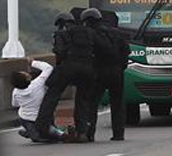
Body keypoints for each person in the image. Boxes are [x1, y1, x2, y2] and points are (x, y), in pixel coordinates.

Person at [34, 8, 99, 143]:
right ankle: (82, 131)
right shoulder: (89, 32)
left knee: (52, 93)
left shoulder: (61, 33)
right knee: (83, 100)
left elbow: (60, 52)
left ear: (61, 23)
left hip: (68, 67)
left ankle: (42, 127)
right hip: (87, 68)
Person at [85, 9, 131, 141]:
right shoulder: (117, 33)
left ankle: (89, 134)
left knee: (92, 103)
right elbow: (127, 51)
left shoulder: (91, 34)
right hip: (117, 71)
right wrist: (122, 66)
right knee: (117, 103)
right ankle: (119, 134)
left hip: (99, 71)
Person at [10, 60, 64, 141]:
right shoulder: (38, 83)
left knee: (24, 117)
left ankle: (31, 131)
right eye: (25, 73)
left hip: (25, 118)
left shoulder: (16, 92)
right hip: (42, 117)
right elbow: (48, 68)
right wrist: (32, 63)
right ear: (27, 78)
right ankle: (46, 133)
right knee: (56, 134)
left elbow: (15, 104)